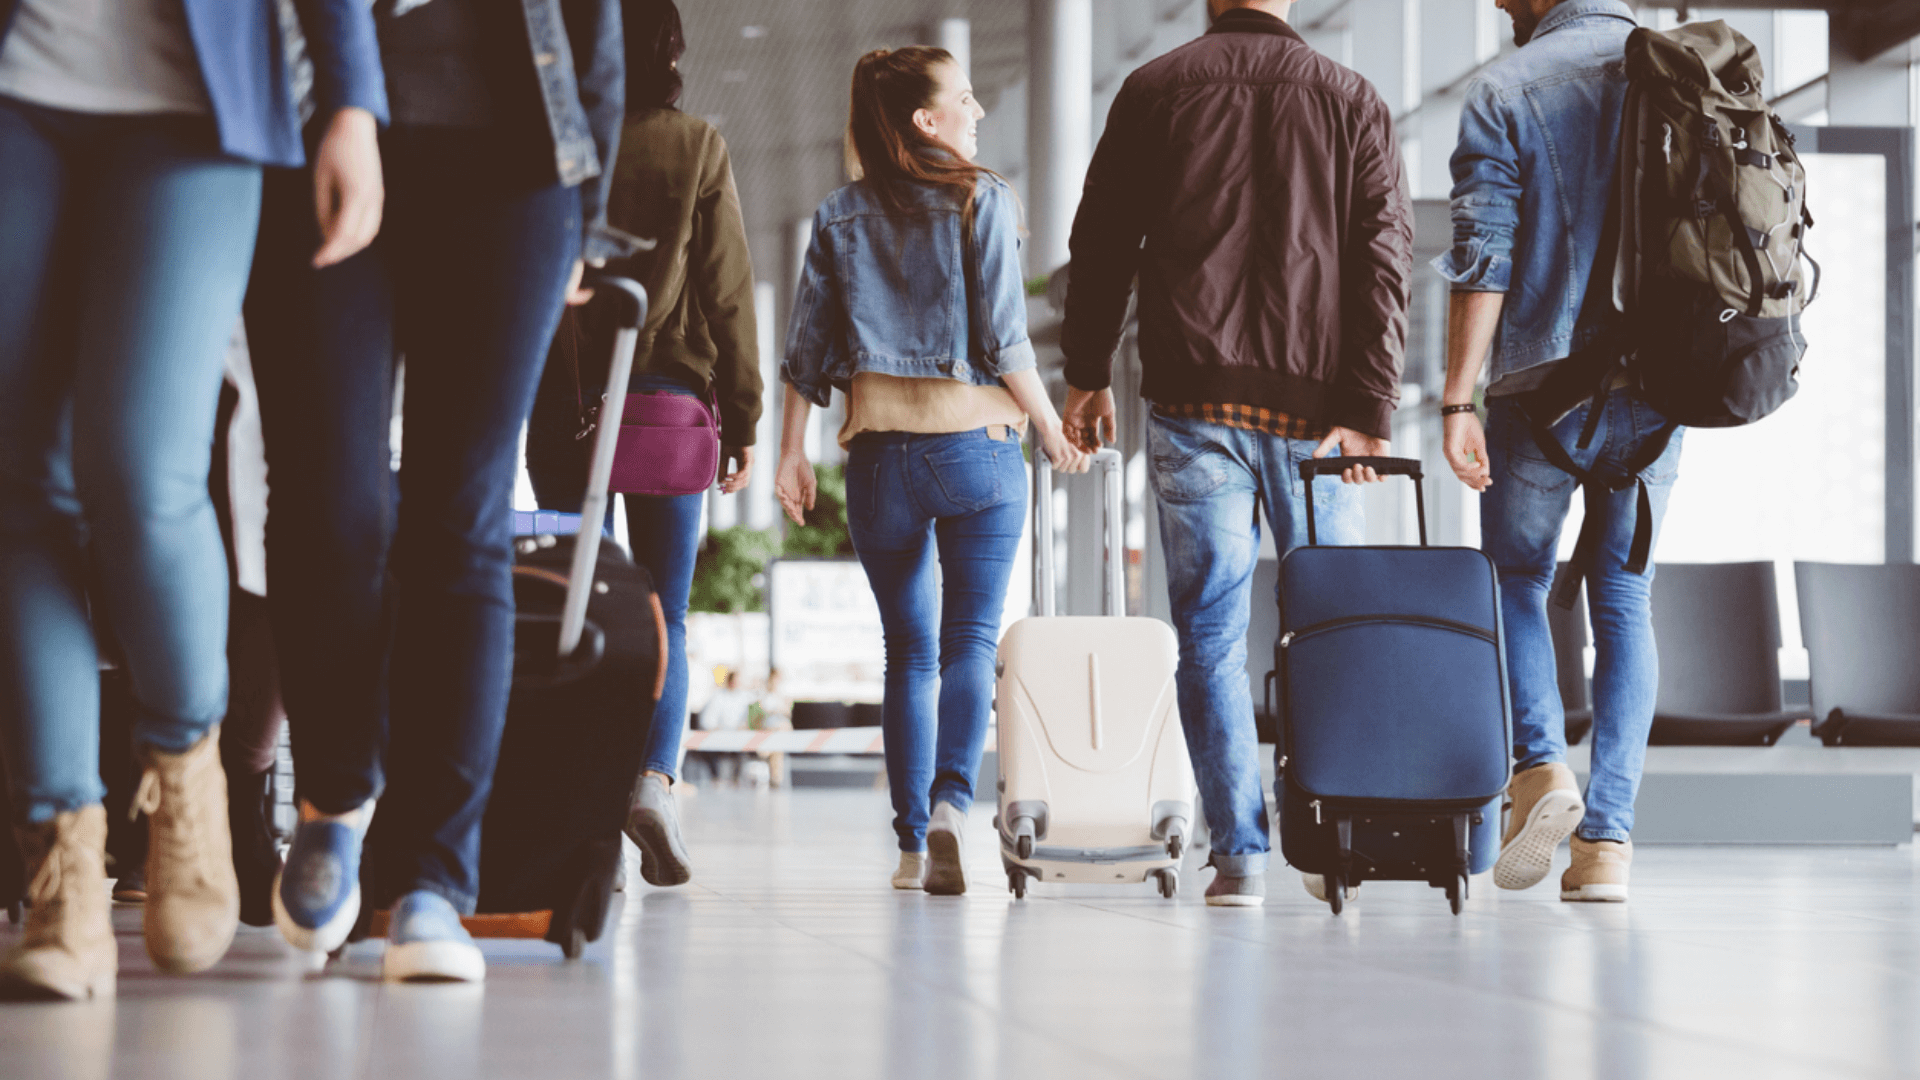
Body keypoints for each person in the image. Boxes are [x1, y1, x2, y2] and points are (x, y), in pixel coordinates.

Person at [0, 0, 385, 1000]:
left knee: (139, 471)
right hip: (20, 89)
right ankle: (63, 877)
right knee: (21, 495)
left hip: (196, 103)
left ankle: (185, 774)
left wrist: (351, 100)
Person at [244, 0, 631, 982]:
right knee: (330, 501)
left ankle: (432, 885)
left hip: (515, 161)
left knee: (461, 518)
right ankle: (335, 797)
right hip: (308, 136)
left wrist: (588, 196)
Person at [1060, 0, 1412, 907]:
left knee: (1210, 640)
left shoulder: (1155, 89)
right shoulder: (1352, 97)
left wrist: (1088, 369)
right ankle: (1337, 841)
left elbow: (1101, 238)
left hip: (1192, 401)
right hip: (1322, 415)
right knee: (1330, 633)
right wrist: (1371, 403)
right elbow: (1384, 255)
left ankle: (1241, 856)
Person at [776, 46, 1088, 896]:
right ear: (926, 119)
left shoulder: (838, 215)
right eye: (964, 98)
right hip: (977, 449)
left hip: (879, 458)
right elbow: (1002, 340)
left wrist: (790, 453)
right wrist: (1054, 428)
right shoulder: (977, 198)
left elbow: (805, 351)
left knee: (906, 652)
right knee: (969, 644)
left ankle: (913, 846)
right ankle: (954, 802)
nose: (978, 111)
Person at [1437, 0, 1677, 904]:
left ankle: (1541, 767)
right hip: (1663, 390)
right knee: (1624, 596)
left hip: (1542, 388)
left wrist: (1459, 396)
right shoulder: (1674, 70)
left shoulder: (1506, 88)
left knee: (1515, 579)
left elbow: (1481, 261)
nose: (1498, 3)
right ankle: (1606, 846)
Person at [525, 0, 758, 890]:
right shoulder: (694, 143)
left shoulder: (552, 138)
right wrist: (741, 409)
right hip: (664, 398)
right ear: (669, 49)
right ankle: (652, 783)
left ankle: (580, 808)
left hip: (564, 399)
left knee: (571, 592)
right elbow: (729, 290)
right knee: (668, 607)